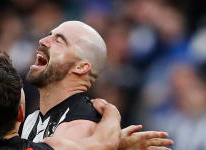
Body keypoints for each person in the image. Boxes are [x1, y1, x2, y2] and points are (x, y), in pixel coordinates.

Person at [22, 21, 173, 150]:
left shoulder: (80, 126)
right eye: (49, 35)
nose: (42, 40)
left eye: (59, 41)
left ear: (81, 67)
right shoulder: (32, 119)